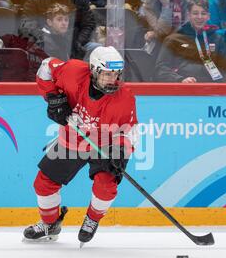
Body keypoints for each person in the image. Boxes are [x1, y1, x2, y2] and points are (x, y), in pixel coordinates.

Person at [23, 46, 139, 246]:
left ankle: (92, 219)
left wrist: (120, 151)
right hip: (73, 139)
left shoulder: (124, 97)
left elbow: (129, 131)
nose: (113, 80)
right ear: (93, 70)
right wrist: (53, 98)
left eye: (116, 74)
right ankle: (50, 225)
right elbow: (45, 67)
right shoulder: (73, 71)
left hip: (105, 144)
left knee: (106, 186)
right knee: (43, 185)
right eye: (107, 74)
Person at [154, 0, 226, 82]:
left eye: (203, 13)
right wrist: (180, 80)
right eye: (195, 13)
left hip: (211, 90)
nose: (199, 17)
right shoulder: (174, 39)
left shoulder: (217, 39)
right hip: (183, 89)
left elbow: (225, 69)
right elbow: (161, 69)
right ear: (189, 15)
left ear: (208, 16)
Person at [18, 0, 96, 60]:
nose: (64, 22)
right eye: (60, 19)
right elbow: (26, 24)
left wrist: (78, 43)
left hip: (77, 42)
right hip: (45, 42)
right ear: (49, 22)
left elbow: (89, 24)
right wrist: (43, 38)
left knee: (95, 48)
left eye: (66, 19)